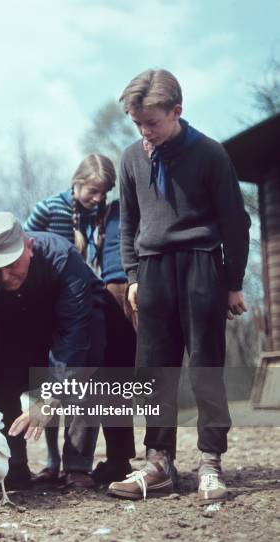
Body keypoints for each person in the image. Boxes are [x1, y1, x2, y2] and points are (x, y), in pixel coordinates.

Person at [107, 69, 250, 502]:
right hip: (151, 272)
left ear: (177, 112)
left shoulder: (210, 154)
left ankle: (210, 462)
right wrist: (132, 276)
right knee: (154, 370)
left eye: (151, 122)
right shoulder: (131, 158)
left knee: (206, 366)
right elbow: (127, 222)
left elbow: (235, 222)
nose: (144, 132)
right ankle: (158, 462)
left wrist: (233, 282)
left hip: (200, 266)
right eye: (137, 124)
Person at [0, 212, 136, 489]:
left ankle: (85, 465)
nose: (4, 276)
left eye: (11, 265)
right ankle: (13, 466)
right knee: (3, 362)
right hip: (24, 323)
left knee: (86, 375)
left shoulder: (62, 258)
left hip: (89, 320)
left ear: (28, 246)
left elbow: (74, 342)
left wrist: (47, 399)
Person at [24, 155, 134, 488]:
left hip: (95, 302)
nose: (98, 198)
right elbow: (27, 249)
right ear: (77, 181)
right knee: (52, 377)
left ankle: (78, 465)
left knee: (89, 377)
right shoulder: (49, 209)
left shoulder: (109, 214)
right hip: (52, 305)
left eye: (104, 192)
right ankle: (52, 461)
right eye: (93, 190)